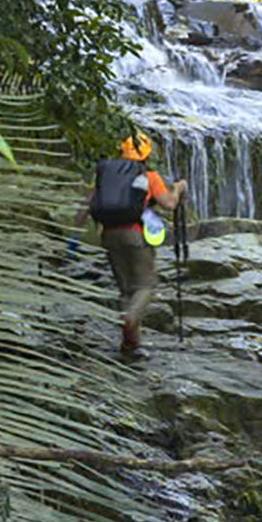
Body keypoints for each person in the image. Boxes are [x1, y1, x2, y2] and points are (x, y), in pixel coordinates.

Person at [74, 132, 186, 355]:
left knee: (126, 290)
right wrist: (179, 187)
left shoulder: (105, 175)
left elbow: (84, 207)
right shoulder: (149, 176)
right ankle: (129, 317)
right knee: (146, 285)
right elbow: (169, 204)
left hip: (108, 235)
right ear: (145, 154)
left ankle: (130, 344)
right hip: (134, 235)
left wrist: (72, 236)